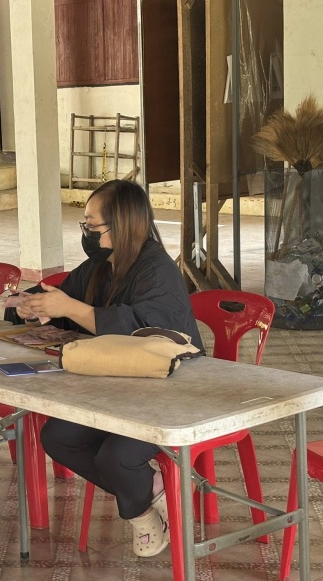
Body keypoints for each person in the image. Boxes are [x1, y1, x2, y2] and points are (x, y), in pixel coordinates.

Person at [15, 179, 204, 558]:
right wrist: (33, 307)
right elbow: (66, 306)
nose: (86, 233)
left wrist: (71, 308)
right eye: (84, 224)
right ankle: (151, 494)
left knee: (116, 456)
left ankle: (139, 509)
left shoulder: (158, 271)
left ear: (124, 225)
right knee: (58, 437)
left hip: (172, 393)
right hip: (117, 390)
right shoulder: (100, 266)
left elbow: (145, 334)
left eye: (92, 225)